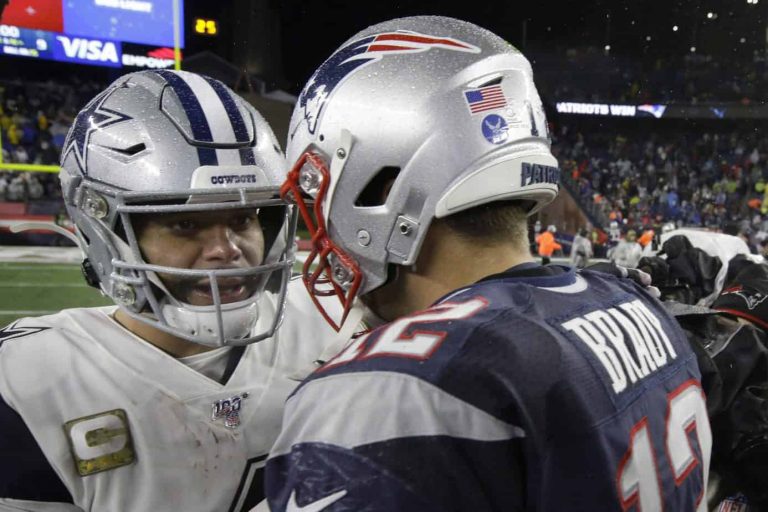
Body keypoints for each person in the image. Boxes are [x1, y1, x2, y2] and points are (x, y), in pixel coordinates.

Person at [265, 15, 710, 511]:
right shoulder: (643, 308)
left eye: (318, 189)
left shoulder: (391, 389)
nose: (321, 220)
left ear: (381, 187)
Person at [0, 70, 342, 511]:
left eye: (242, 219)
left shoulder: (331, 321)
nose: (226, 250)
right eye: (185, 224)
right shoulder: (27, 383)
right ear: (104, 232)